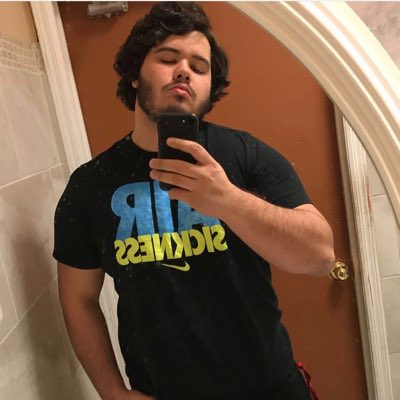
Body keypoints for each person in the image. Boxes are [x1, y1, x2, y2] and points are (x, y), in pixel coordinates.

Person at [54, 2, 335, 400]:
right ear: (135, 75)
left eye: (199, 67)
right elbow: (78, 299)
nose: (184, 70)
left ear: (209, 89)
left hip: (272, 389)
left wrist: (228, 200)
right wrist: (113, 392)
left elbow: (320, 257)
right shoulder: (89, 185)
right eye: (168, 59)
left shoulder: (247, 156)